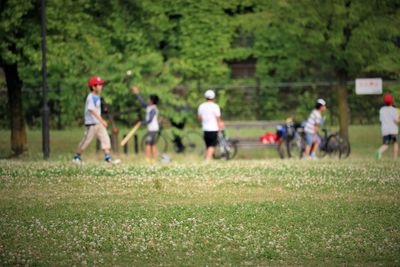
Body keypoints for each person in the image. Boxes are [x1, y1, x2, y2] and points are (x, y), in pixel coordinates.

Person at [73, 76, 120, 164]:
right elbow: (92, 110)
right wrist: (102, 120)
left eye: (101, 85)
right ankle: (76, 157)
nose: (101, 86)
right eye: (99, 85)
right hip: (91, 124)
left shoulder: (97, 97)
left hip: (98, 123)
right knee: (86, 141)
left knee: (105, 139)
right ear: (94, 87)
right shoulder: (90, 97)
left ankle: (108, 159)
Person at [132, 85, 159, 162]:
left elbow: (149, 120)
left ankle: (147, 159)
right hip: (152, 129)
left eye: (149, 99)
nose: (147, 100)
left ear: (152, 101)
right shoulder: (149, 107)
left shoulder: (153, 109)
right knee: (152, 144)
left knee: (148, 143)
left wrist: (141, 122)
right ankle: (153, 159)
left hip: (153, 129)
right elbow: (142, 103)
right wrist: (137, 94)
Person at [198, 90, 225, 160]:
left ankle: (209, 158)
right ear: (214, 97)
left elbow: (200, 118)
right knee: (212, 145)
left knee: (208, 145)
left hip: (205, 128)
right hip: (213, 128)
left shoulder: (201, 106)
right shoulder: (215, 106)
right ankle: (208, 159)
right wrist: (220, 125)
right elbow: (217, 118)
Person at [375, 94, 399, 159]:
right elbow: (396, 120)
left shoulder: (382, 110)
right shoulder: (394, 110)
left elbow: (381, 120)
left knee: (385, 145)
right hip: (393, 130)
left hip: (385, 130)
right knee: (395, 143)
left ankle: (379, 151)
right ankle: (395, 158)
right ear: (392, 101)